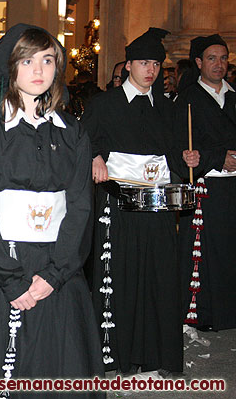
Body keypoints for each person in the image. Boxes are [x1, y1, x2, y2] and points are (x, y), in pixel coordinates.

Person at [0, 26, 104, 398]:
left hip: (59, 264)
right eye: (27, 61)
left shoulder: (73, 132)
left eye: (47, 60)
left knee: (64, 367)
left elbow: (80, 208)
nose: (39, 69)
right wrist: (11, 281)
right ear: (11, 68)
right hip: (2, 264)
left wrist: (55, 274)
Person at [82, 28, 198, 376]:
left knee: (159, 278)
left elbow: (176, 154)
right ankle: (117, 355)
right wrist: (95, 156)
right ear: (129, 65)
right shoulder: (104, 104)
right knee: (121, 278)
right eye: (144, 63)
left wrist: (189, 159)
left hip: (159, 206)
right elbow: (83, 143)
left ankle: (157, 355)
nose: (151, 70)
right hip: (119, 206)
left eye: (156, 64)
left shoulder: (168, 107)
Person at [175, 34, 236, 331]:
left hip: (234, 186)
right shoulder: (187, 100)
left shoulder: (234, 95)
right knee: (208, 254)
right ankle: (208, 315)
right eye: (212, 58)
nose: (219, 64)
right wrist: (217, 157)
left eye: (223, 58)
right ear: (198, 62)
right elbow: (184, 146)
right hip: (207, 187)